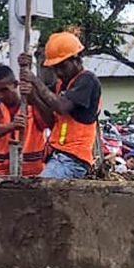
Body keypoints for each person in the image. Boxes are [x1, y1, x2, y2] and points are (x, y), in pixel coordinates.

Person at [21, 31, 102, 180]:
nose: (58, 72)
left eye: (62, 66)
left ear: (76, 59)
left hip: (73, 159)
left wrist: (34, 80)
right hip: (58, 156)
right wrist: (32, 94)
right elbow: (50, 121)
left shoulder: (87, 80)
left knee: (40, 189)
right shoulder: (61, 85)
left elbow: (60, 106)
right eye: (55, 68)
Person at [0, 65, 46, 176]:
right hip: (1, 170)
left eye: (4, 90)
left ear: (16, 84)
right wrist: (12, 126)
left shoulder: (32, 104)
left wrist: (35, 95)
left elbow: (46, 124)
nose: (0, 96)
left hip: (33, 170)